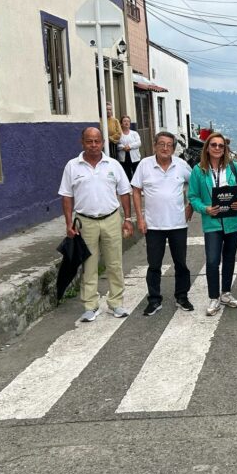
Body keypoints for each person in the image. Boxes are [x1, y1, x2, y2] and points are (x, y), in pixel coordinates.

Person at [58, 127, 134, 322]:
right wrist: (69, 223)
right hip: (85, 222)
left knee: (114, 264)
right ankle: (90, 306)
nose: (93, 145)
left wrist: (127, 219)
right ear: (82, 142)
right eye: (89, 141)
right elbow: (67, 196)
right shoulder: (72, 166)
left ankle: (116, 303)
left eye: (97, 141)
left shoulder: (113, 165)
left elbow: (124, 192)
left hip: (111, 219)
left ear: (102, 142)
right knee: (88, 266)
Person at [188, 132, 237, 316]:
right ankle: (213, 297)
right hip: (212, 223)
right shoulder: (198, 171)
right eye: (213, 145)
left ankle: (226, 293)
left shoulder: (233, 167)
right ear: (207, 148)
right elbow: (193, 196)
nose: (217, 148)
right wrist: (204, 208)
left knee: (229, 258)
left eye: (221, 146)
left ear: (225, 149)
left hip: (234, 221)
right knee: (212, 260)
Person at [131, 131, 194, 316]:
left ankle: (182, 296)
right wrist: (140, 218)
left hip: (178, 224)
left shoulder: (181, 165)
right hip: (153, 226)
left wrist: (190, 205)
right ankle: (154, 299)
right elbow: (136, 190)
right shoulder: (145, 165)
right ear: (155, 146)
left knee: (180, 263)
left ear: (174, 148)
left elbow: (195, 183)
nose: (165, 148)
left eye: (169, 145)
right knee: (154, 265)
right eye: (161, 144)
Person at [117, 115, 142, 181]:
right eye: (124, 121)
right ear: (121, 123)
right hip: (124, 158)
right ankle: (129, 188)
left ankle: (136, 187)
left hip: (134, 157)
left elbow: (139, 143)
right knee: (126, 174)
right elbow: (117, 144)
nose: (126, 123)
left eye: (128, 121)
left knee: (136, 174)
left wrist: (129, 146)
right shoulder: (119, 134)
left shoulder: (134, 133)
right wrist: (123, 147)